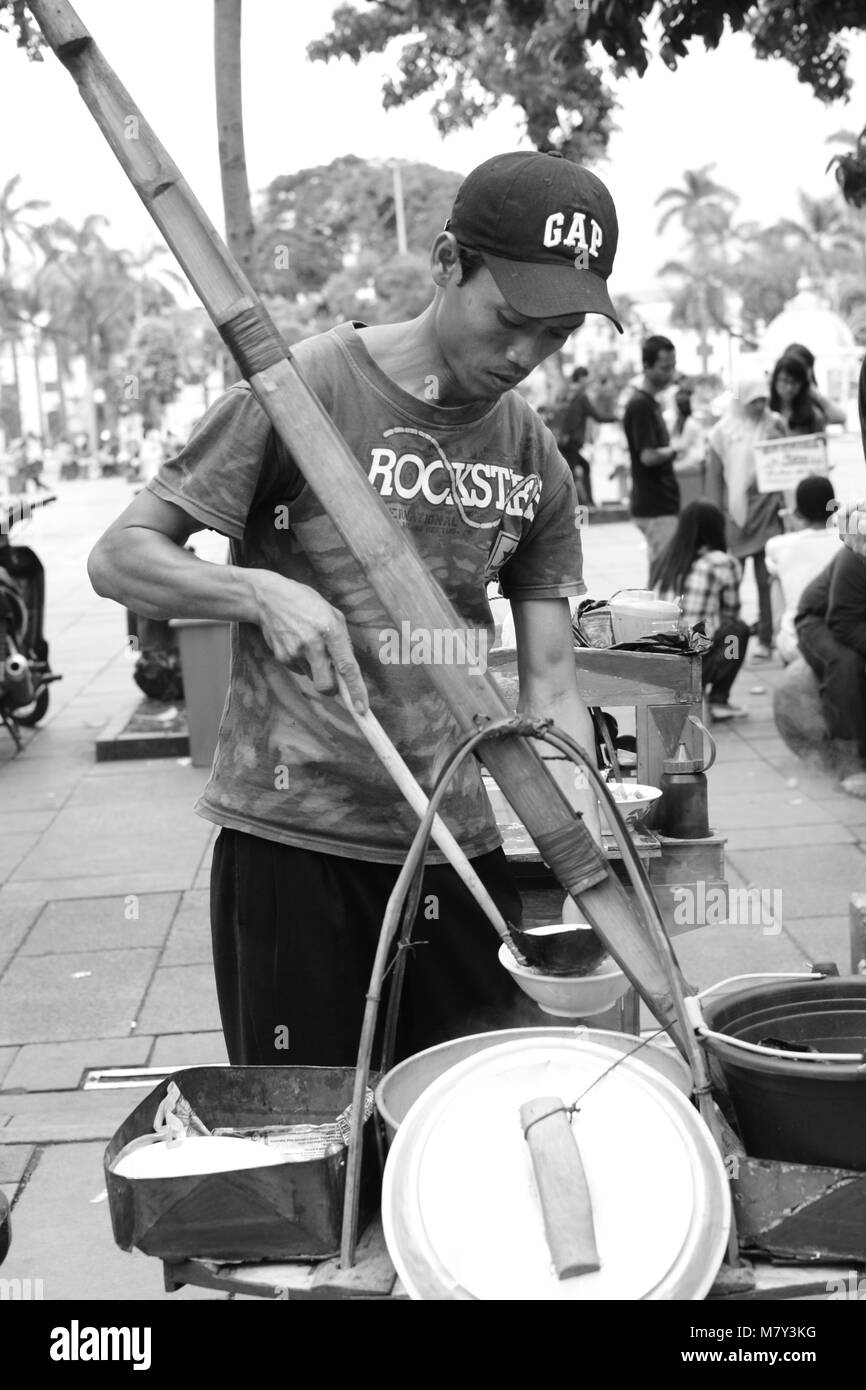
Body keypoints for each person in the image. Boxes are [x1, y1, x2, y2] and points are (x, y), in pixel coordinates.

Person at [87, 150, 623, 1069]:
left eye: (558, 335)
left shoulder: (534, 454)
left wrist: (593, 853)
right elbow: (119, 556)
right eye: (511, 321)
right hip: (295, 843)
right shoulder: (303, 392)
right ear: (448, 262)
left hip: (454, 848)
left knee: (460, 1138)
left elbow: (550, 683)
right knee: (318, 1150)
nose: (526, 357)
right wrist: (258, 589)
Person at [704, 379, 786, 661]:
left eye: (764, 400)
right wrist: (714, 522)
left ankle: (766, 640)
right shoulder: (721, 433)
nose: (761, 406)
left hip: (767, 512)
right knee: (730, 586)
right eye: (754, 401)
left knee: (767, 581)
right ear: (742, 402)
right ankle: (730, 648)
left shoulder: (775, 424)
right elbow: (714, 479)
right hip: (733, 519)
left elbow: (787, 460)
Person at [650, 499, 751, 721]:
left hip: (659, 664)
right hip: (694, 663)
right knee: (737, 631)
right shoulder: (722, 562)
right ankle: (719, 699)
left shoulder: (665, 559)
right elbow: (731, 613)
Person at [795, 550, 866, 797]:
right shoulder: (856, 555)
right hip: (820, 621)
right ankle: (849, 762)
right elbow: (843, 622)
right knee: (845, 663)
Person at [623, 335, 684, 582]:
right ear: (646, 367)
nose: (670, 373)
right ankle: (656, 620)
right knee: (665, 573)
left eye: (672, 365)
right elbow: (648, 456)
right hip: (654, 504)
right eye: (664, 367)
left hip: (659, 503)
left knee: (662, 570)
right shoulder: (640, 405)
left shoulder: (651, 402)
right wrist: (675, 449)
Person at [765, 474, 840, 665]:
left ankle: (776, 635)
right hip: (843, 637)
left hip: (796, 644)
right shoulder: (847, 541)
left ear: (798, 512)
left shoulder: (777, 546)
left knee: (775, 578)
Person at [552, 365, 616, 509]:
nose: (588, 381)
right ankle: (574, 505)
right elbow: (592, 416)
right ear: (581, 378)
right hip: (571, 439)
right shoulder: (580, 396)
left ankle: (584, 502)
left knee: (578, 468)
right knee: (570, 472)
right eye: (586, 377)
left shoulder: (565, 392)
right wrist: (613, 418)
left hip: (561, 438)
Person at [783, 342, 848, 427]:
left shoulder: (812, 396)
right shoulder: (778, 397)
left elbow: (840, 417)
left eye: (807, 368)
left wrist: (813, 392)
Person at [769, 353, 827, 437]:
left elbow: (821, 446)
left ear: (803, 385)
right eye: (785, 380)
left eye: (795, 382)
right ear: (775, 380)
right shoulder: (764, 412)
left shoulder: (814, 416)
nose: (789, 388)